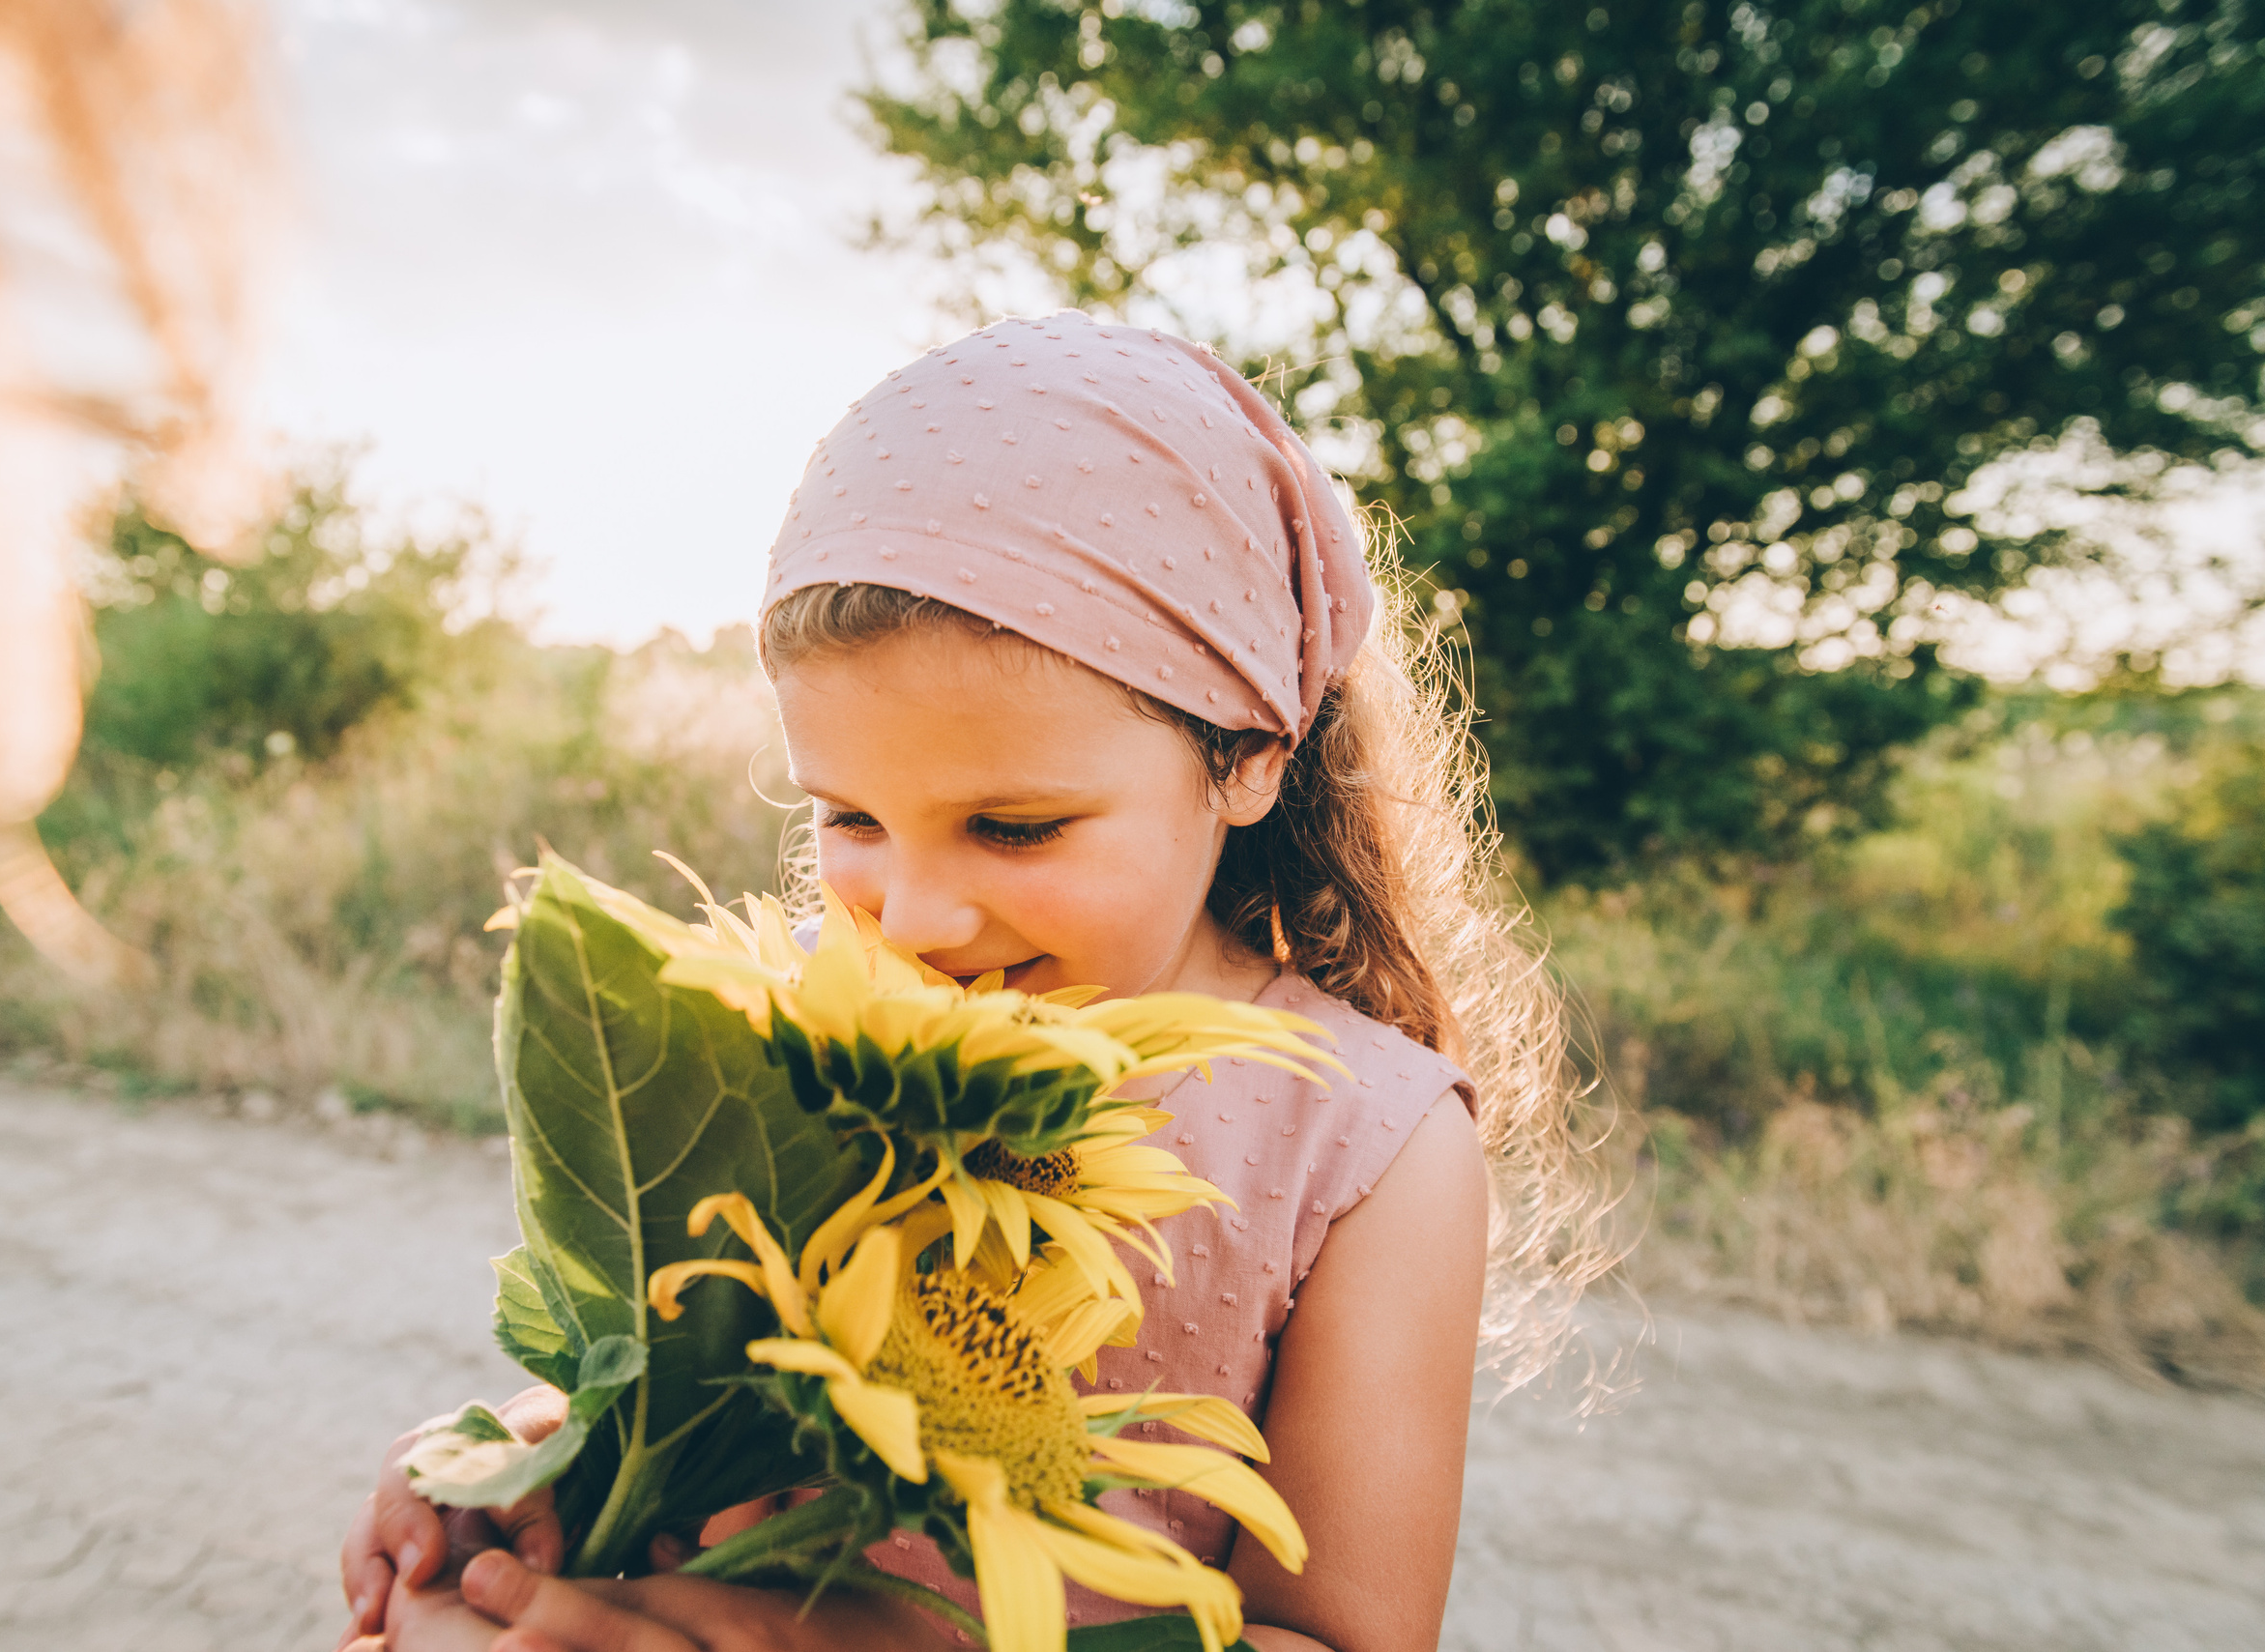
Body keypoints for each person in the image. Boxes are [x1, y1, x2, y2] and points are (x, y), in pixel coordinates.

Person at [336, 310, 1612, 1652]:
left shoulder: (1366, 1148)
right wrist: (529, 1467)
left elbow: (1344, 1636)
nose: (916, 918)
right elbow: (685, 1379)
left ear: (1248, 756)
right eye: (850, 817)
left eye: (1014, 827)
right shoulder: (812, 1028)